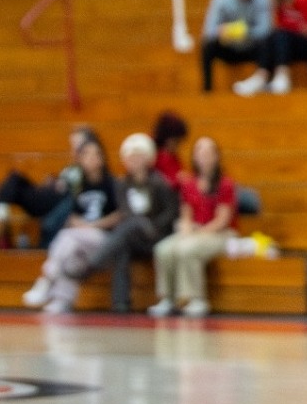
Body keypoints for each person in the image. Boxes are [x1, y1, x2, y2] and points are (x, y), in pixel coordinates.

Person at [80, 134, 181, 313]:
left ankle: (93, 264)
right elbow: (126, 212)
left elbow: (171, 211)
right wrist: (140, 223)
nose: (133, 160)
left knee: (130, 228)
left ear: (148, 158)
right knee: (124, 244)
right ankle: (120, 302)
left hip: (157, 234)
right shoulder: (122, 184)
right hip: (136, 235)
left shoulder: (158, 182)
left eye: (138, 156)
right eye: (130, 157)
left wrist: (153, 225)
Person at [21, 138, 121, 314]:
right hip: (82, 239)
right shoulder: (79, 185)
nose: (91, 158)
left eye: (95, 154)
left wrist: (94, 225)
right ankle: (63, 300)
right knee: (72, 259)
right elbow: (72, 216)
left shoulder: (111, 183)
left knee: (67, 236)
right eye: (86, 154)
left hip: (105, 238)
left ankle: (47, 279)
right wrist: (81, 224)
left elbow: (120, 215)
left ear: (103, 158)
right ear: (80, 159)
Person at [0, 124, 99, 249]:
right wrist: (54, 182)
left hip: (57, 204)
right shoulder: (72, 168)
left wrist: (65, 185)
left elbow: (82, 192)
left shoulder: (90, 169)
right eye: (73, 146)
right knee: (14, 179)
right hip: (48, 197)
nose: (74, 150)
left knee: (14, 181)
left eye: (77, 145)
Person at [150, 136, 237, 318]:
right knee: (163, 249)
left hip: (221, 233)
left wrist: (197, 234)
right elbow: (186, 214)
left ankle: (196, 299)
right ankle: (167, 298)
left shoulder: (225, 184)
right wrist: (186, 229)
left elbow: (222, 220)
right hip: (196, 230)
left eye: (208, 152)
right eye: (199, 151)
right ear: (194, 157)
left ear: (216, 156)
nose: (203, 156)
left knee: (188, 249)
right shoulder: (189, 184)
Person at [201, 0, 274, 93]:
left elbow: (266, 29)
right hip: (229, 48)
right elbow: (209, 31)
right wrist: (221, 32)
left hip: (252, 47)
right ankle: (207, 89)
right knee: (207, 45)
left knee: (271, 40)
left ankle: (264, 82)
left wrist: (240, 30)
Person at [152, 112, 189, 180]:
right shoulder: (156, 158)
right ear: (168, 139)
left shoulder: (173, 156)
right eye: (177, 141)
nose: (178, 145)